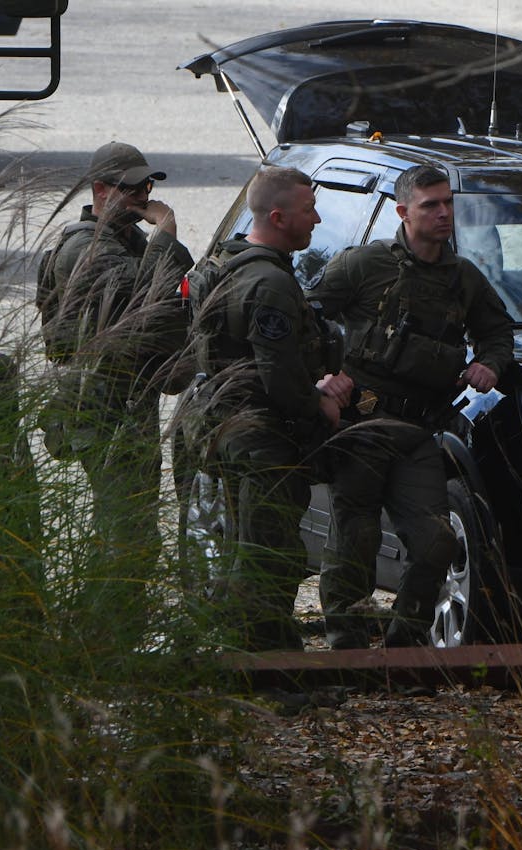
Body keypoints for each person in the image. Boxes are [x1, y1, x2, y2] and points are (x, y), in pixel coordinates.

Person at [308, 165, 514, 649]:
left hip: (419, 432)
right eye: (430, 205)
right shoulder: (362, 265)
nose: (444, 214)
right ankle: (348, 646)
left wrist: (491, 363)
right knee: (354, 541)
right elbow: (309, 316)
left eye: (448, 203)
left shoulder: (462, 277)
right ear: (403, 212)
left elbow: (498, 332)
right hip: (362, 426)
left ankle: (405, 647)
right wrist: (324, 375)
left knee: (437, 542)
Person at [182, 165, 352, 650]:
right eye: (308, 210)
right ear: (278, 217)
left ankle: (259, 661)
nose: (317, 219)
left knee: (249, 547)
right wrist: (319, 406)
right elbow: (277, 376)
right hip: (260, 437)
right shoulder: (269, 283)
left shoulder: (230, 266)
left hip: (227, 427)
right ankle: (265, 671)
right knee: (268, 554)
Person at [38, 141, 193, 646]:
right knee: (126, 534)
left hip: (124, 407)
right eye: (132, 189)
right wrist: (166, 233)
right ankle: (103, 642)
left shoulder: (121, 241)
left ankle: (112, 636)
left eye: (147, 187)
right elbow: (140, 297)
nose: (143, 197)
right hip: (98, 410)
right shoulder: (84, 248)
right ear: (101, 190)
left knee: (131, 529)